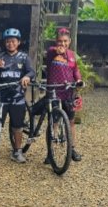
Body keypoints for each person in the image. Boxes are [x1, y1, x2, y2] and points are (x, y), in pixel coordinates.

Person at [0, 28, 34, 163]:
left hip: (17, 95)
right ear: (5, 43)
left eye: (13, 41)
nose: (10, 44)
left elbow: (31, 72)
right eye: (8, 41)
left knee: (17, 126)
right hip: (0, 95)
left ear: (18, 42)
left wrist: (26, 76)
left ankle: (17, 151)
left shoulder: (24, 57)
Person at [42, 27, 83, 163]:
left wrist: (79, 80)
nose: (63, 44)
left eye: (65, 41)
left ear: (70, 41)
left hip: (68, 92)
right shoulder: (51, 52)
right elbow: (51, 53)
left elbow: (75, 70)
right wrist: (56, 50)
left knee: (70, 121)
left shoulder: (72, 55)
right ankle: (50, 152)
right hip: (53, 92)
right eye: (60, 41)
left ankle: (72, 149)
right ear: (56, 41)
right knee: (53, 122)